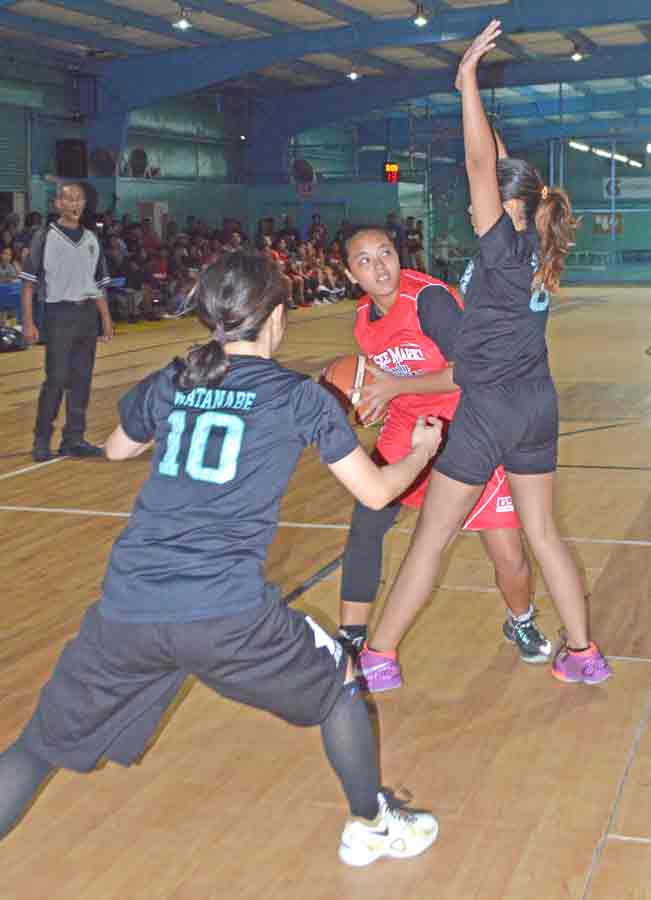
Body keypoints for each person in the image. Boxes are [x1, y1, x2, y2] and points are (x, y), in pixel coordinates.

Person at [0, 251, 442, 867]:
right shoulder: (298, 397)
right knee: (341, 681)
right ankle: (369, 823)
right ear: (277, 317)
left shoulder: (177, 377)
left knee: (35, 748)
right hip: (226, 614)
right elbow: (376, 493)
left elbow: (118, 449)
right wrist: (421, 450)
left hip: (127, 607)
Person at [356, 20, 611, 690]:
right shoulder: (535, 245)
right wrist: (484, 115)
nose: (476, 204)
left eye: (489, 196)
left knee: (431, 538)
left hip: (490, 407)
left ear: (505, 203)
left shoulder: (499, 245)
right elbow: (493, 162)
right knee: (543, 534)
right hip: (537, 404)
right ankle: (582, 653)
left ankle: (378, 657)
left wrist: (466, 80)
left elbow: (478, 166)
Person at [335, 227, 552, 684]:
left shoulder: (429, 301)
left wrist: (394, 387)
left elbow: (469, 373)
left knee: (507, 554)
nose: (379, 267)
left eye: (385, 253)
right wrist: (372, 399)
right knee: (367, 519)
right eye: (364, 261)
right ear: (350, 274)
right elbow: (382, 377)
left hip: (469, 421)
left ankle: (521, 619)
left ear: (399, 255)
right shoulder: (362, 317)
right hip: (407, 424)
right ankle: (351, 636)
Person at [20, 182, 114, 462]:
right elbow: (28, 284)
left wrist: (106, 318)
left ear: (84, 204)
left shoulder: (91, 238)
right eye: (68, 199)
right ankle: (41, 440)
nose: (74, 203)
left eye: (78, 199)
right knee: (57, 378)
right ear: (57, 204)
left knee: (82, 380)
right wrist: (28, 322)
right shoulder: (44, 236)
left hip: (87, 315)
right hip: (58, 313)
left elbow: (98, 284)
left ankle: (74, 439)